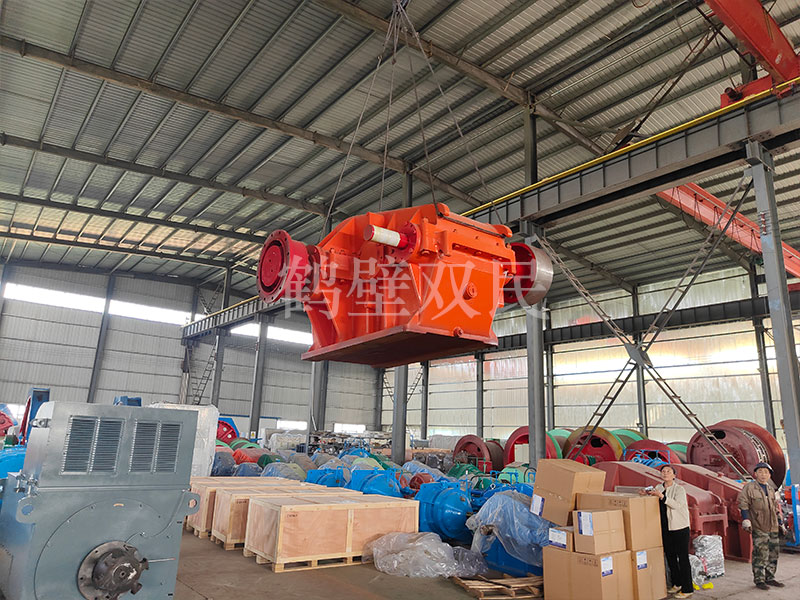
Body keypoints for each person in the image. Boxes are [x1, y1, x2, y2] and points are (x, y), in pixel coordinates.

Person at [640, 464, 693, 598]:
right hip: (665, 528)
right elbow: (653, 501)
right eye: (663, 471)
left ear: (674, 475)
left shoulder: (679, 489)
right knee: (670, 557)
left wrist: (662, 497)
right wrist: (645, 494)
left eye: (669, 471)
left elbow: (677, 505)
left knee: (682, 558)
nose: (665, 473)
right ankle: (677, 583)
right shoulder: (658, 487)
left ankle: (687, 589)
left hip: (679, 527)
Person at [738, 462, 786, 590]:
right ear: (755, 474)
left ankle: (770, 577)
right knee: (760, 553)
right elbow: (743, 504)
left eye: (766, 472)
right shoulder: (749, 488)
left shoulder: (771, 490)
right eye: (760, 472)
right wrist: (746, 519)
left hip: (773, 526)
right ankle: (759, 580)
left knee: (773, 554)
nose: (763, 475)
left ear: (769, 475)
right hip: (759, 526)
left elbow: (776, 508)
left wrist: (781, 523)